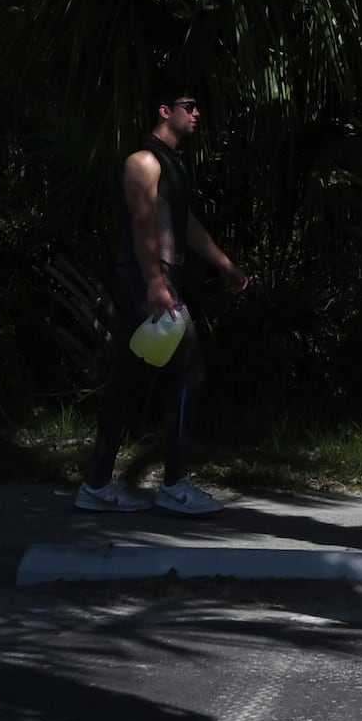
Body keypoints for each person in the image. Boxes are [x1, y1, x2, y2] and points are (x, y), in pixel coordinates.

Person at [76, 88, 249, 516]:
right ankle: (173, 486)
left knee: (130, 378)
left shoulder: (173, 165)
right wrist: (154, 281)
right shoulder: (143, 161)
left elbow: (183, 222)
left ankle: (97, 482)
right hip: (143, 280)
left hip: (160, 279)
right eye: (188, 107)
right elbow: (141, 221)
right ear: (164, 110)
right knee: (189, 370)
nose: (196, 113)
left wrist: (225, 265)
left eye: (197, 107)